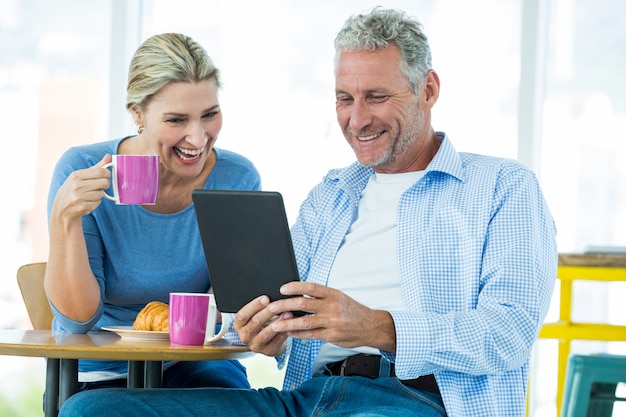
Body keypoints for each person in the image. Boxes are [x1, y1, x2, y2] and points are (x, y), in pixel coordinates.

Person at [58, 7, 557, 417]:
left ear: (428, 90)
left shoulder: (502, 188)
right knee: (92, 412)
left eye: (376, 97)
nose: (356, 119)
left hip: (419, 399)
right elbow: (265, 314)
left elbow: (509, 333)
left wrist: (379, 327)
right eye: (345, 98)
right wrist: (261, 332)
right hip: (307, 399)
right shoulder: (332, 195)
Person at [45, 33, 258, 392]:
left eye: (209, 114)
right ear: (137, 114)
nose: (197, 138)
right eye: (176, 120)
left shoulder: (236, 179)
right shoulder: (81, 168)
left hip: (195, 363)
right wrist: (64, 220)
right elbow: (78, 320)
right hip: (103, 370)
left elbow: (232, 304)